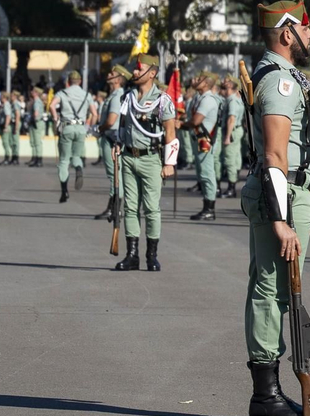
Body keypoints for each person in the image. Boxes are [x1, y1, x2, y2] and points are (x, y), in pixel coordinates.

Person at [239, 0, 310, 416]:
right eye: (306, 28)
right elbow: (274, 154)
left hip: (289, 191)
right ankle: (266, 395)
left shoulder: (284, 76)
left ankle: (269, 391)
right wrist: (281, 218)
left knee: (275, 291)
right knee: (273, 292)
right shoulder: (280, 82)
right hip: (284, 193)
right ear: (288, 33)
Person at [105, 54, 179, 271]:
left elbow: (170, 132)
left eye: (139, 68)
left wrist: (169, 163)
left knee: (152, 208)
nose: (135, 72)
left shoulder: (162, 100)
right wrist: (118, 144)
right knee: (130, 207)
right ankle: (132, 255)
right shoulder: (128, 97)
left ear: (152, 73)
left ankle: (151, 255)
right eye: (135, 68)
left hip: (151, 158)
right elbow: (123, 126)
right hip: (128, 157)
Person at [94, 65, 130, 221]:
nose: (108, 75)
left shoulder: (117, 96)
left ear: (118, 79)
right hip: (112, 137)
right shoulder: (114, 95)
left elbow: (111, 120)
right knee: (115, 174)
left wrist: (99, 128)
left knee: (115, 175)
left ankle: (114, 208)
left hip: (112, 139)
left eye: (112, 73)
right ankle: (114, 207)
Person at [187, 72, 223, 222]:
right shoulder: (200, 97)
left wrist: (181, 125)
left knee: (207, 174)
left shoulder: (208, 100)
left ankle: (209, 209)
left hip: (205, 141)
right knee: (203, 173)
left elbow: (196, 121)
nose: (195, 80)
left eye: (199, 79)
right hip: (199, 139)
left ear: (206, 83)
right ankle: (207, 207)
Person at [53, 71, 93, 202]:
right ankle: (79, 168)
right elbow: (95, 113)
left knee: (64, 160)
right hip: (81, 128)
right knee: (76, 156)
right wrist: (88, 127)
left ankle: (64, 191)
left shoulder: (62, 93)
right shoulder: (87, 95)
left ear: (68, 81)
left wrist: (55, 118)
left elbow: (52, 105)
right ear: (80, 81)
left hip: (67, 127)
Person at [221, 74, 245, 200]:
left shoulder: (232, 100)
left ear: (231, 85)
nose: (223, 83)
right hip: (237, 129)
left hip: (232, 130)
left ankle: (231, 188)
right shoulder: (237, 99)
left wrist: (227, 136)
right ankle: (233, 180)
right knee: (235, 157)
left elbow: (231, 119)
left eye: (226, 82)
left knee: (230, 159)